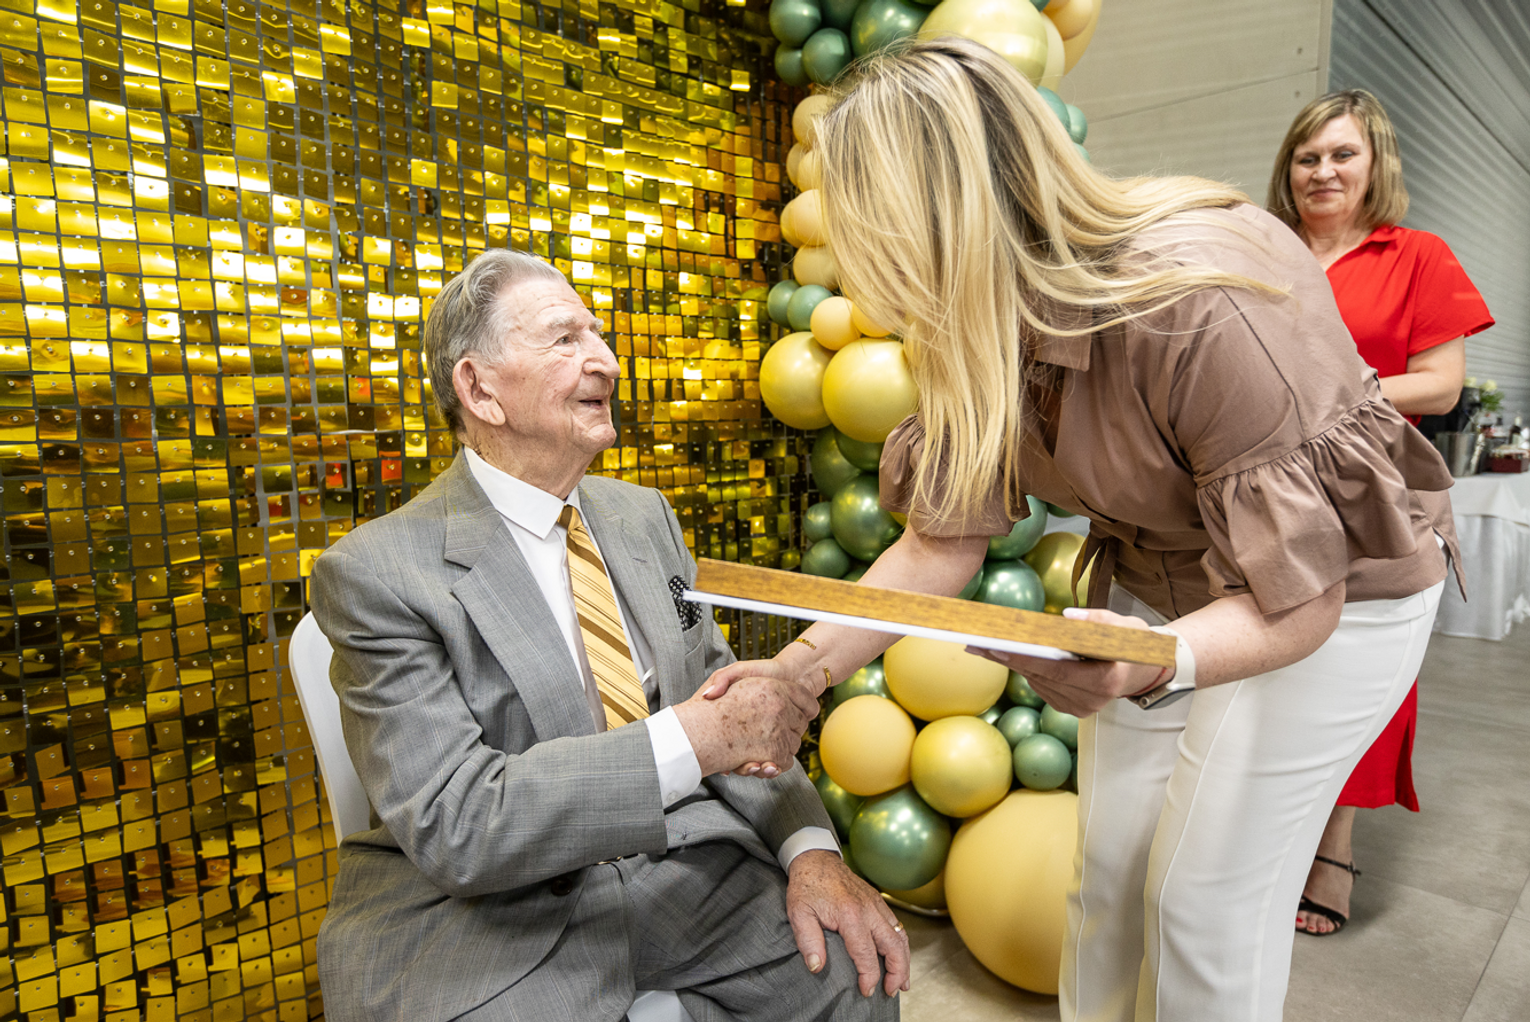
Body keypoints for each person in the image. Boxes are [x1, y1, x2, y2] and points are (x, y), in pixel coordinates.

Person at [709, 38, 1463, 1022]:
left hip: (1336, 591)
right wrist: (795, 675)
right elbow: (940, 542)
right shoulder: (967, 312)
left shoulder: (1199, 299)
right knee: (1108, 877)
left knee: (1201, 903)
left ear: (928, 210)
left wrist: (1147, 665)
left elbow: (1300, 601)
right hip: (1163, 581)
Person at [308, 249, 906, 1022]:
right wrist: (696, 738)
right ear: (479, 389)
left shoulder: (642, 515)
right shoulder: (376, 574)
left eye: (597, 334)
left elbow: (728, 700)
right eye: (565, 339)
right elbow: (458, 823)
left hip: (685, 867)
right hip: (493, 915)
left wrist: (810, 851)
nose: (606, 361)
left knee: (855, 974)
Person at [1268, 89, 1494, 936]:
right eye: (1307, 157)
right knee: (1265, 660)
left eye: (1342, 155)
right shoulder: (1261, 248)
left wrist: (1326, 397)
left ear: (1375, 165)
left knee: (1359, 671)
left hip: (1375, 493)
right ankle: (1263, 830)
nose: (1322, 171)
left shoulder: (1417, 255)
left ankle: (1333, 843)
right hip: (1264, 487)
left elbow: (1440, 384)